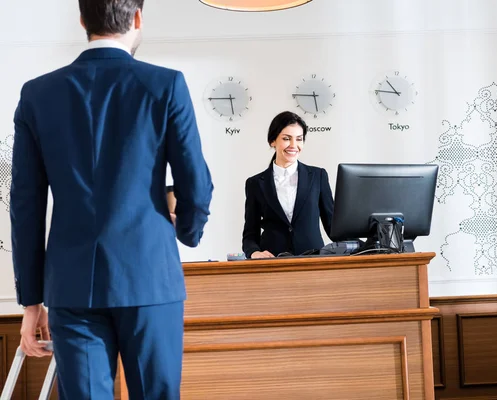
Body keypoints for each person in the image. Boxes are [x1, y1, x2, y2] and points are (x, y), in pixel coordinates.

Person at [10, 0, 213, 398]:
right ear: (137, 19)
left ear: (82, 19)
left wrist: (31, 299)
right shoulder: (166, 85)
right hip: (150, 277)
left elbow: (26, 204)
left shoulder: (38, 94)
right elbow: (197, 184)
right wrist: (187, 231)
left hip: (72, 286)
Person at [242, 111, 334, 258]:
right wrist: (254, 253)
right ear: (273, 141)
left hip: (314, 261)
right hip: (273, 263)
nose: (294, 145)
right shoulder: (255, 183)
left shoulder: (318, 176)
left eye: (299, 139)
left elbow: (333, 227)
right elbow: (250, 233)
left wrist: (366, 244)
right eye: (286, 139)